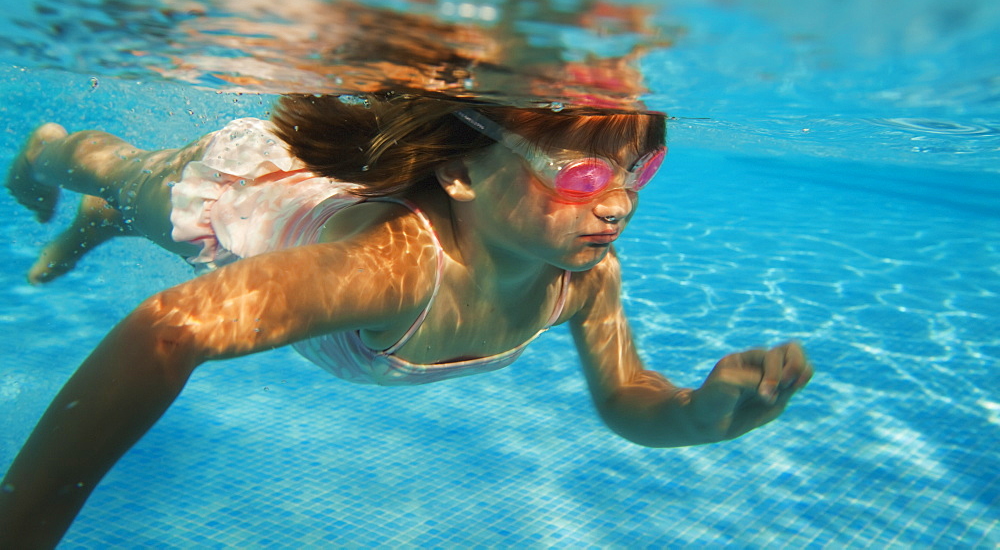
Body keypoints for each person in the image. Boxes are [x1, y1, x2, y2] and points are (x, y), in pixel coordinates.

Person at [0, 91, 812, 546]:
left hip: (312, 220)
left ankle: (98, 221)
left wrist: (700, 416)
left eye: (640, 168)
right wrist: (25, 526)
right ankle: (50, 155)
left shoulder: (585, 275)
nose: (620, 201)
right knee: (126, 177)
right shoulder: (392, 269)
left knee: (126, 214)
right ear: (461, 172)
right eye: (582, 173)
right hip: (248, 196)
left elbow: (626, 391)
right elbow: (169, 331)